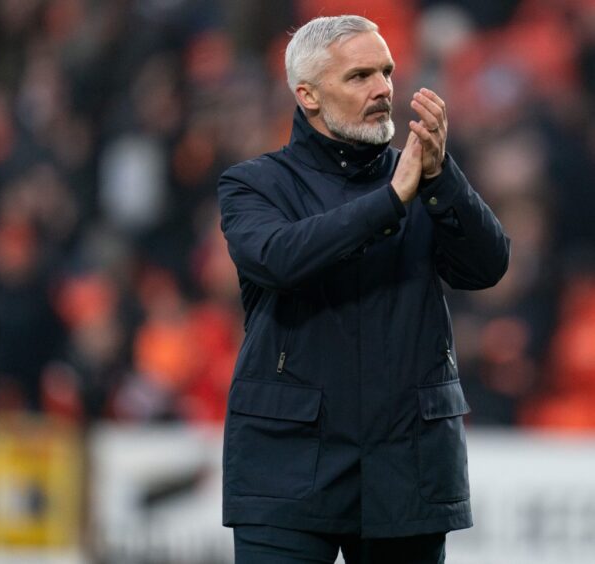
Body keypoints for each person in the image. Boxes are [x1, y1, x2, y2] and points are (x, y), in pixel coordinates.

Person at [218, 15, 510, 564]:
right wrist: (390, 201)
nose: (382, 89)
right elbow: (279, 258)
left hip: (407, 461)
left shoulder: (424, 177)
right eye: (359, 77)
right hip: (288, 463)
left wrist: (442, 173)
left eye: (387, 72)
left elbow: (489, 266)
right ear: (307, 95)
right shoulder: (254, 184)